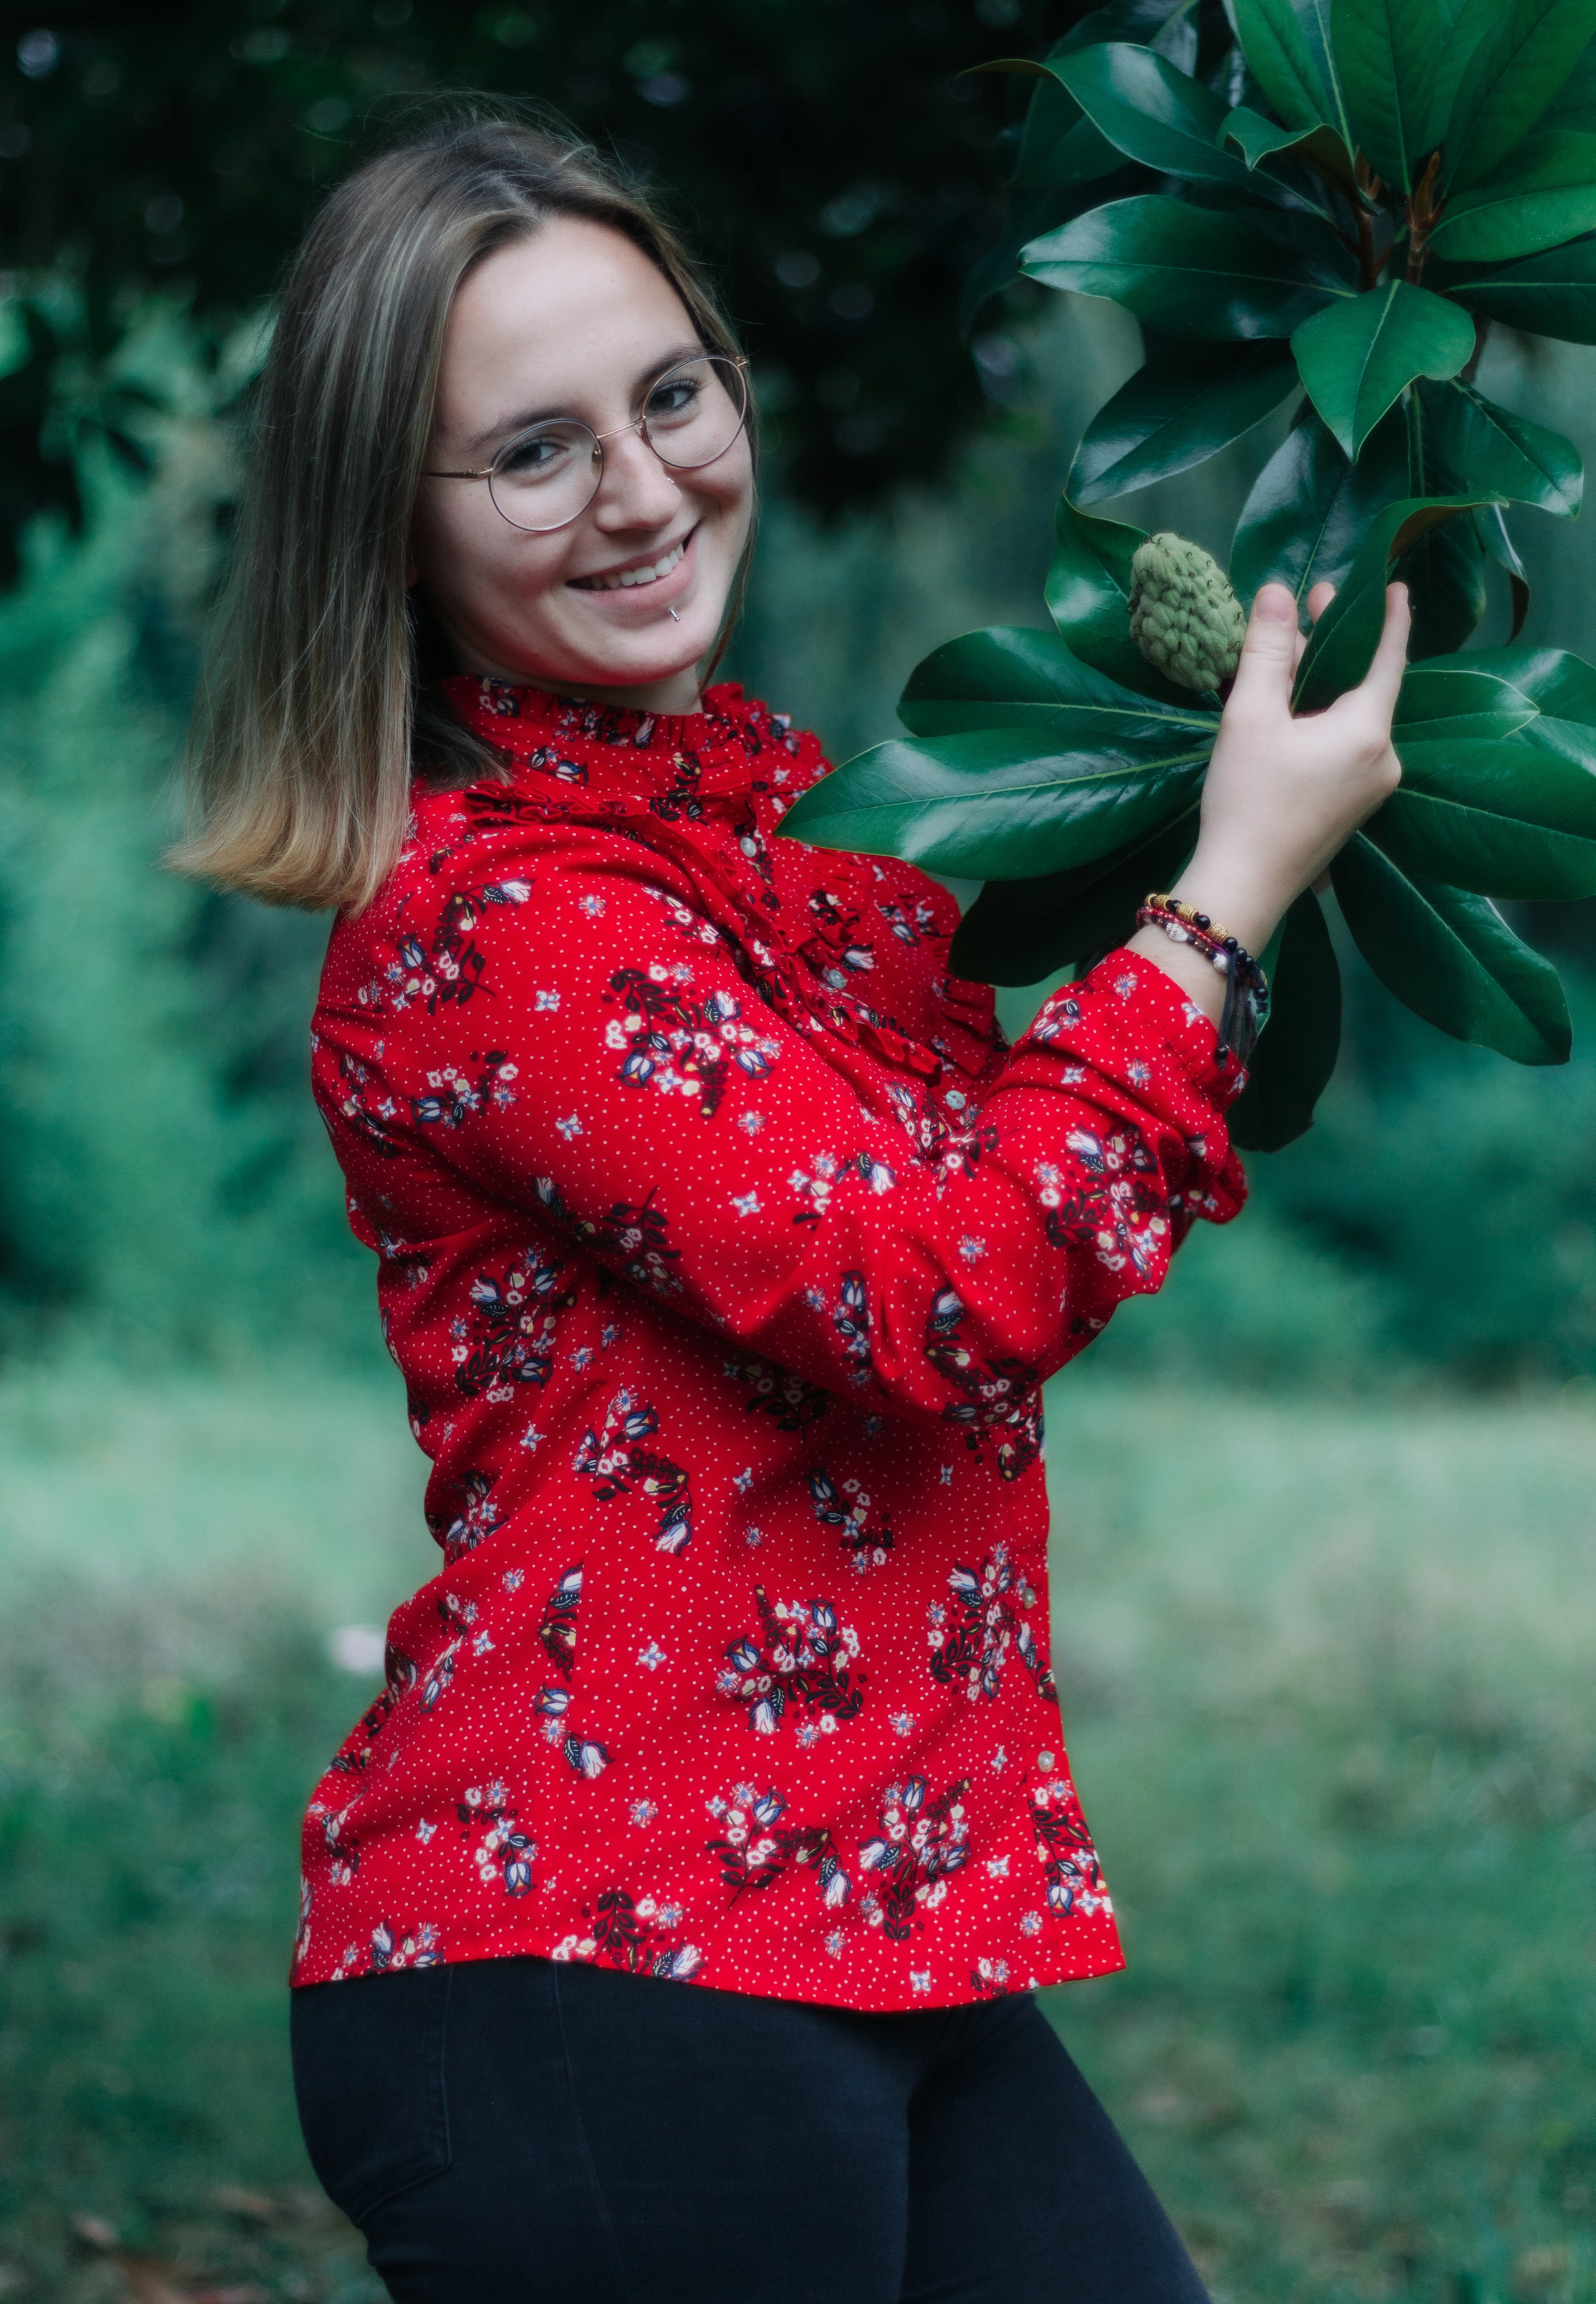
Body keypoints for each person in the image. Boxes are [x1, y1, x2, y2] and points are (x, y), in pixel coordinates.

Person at [174, 113, 1406, 2304]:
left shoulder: (793, 869)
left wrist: (1198, 816)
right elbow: (940, 1292)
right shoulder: (498, 921)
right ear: (394, 523)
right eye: (533, 454)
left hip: (858, 1916)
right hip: (603, 1949)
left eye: (670, 395)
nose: (644, 491)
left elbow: (1046, 1157)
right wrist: (1223, 892)